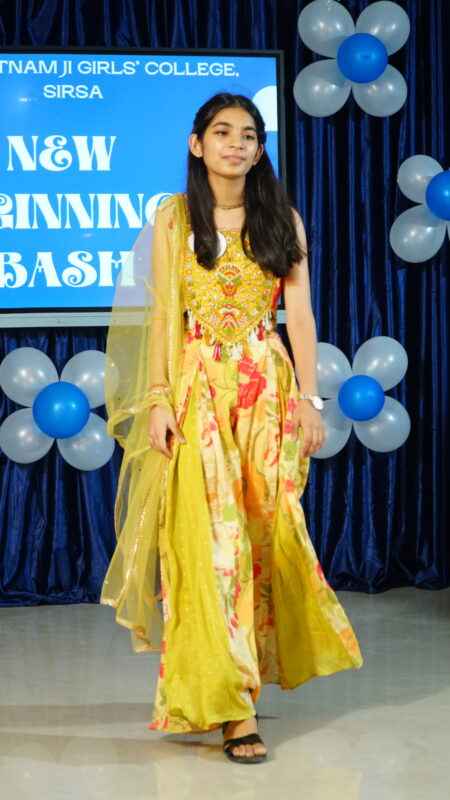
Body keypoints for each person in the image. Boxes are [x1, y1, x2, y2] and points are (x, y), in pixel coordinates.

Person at [101, 92, 362, 765]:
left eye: (249, 135)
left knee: (265, 536)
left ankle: (243, 677)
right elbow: (163, 316)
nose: (237, 144)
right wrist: (157, 399)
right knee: (211, 544)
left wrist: (310, 400)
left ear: (259, 149)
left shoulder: (281, 217)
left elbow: (299, 315)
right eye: (223, 132)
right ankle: (233, 710)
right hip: (197, 391)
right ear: (198, 144)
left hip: (266, 392)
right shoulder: (174, 217)